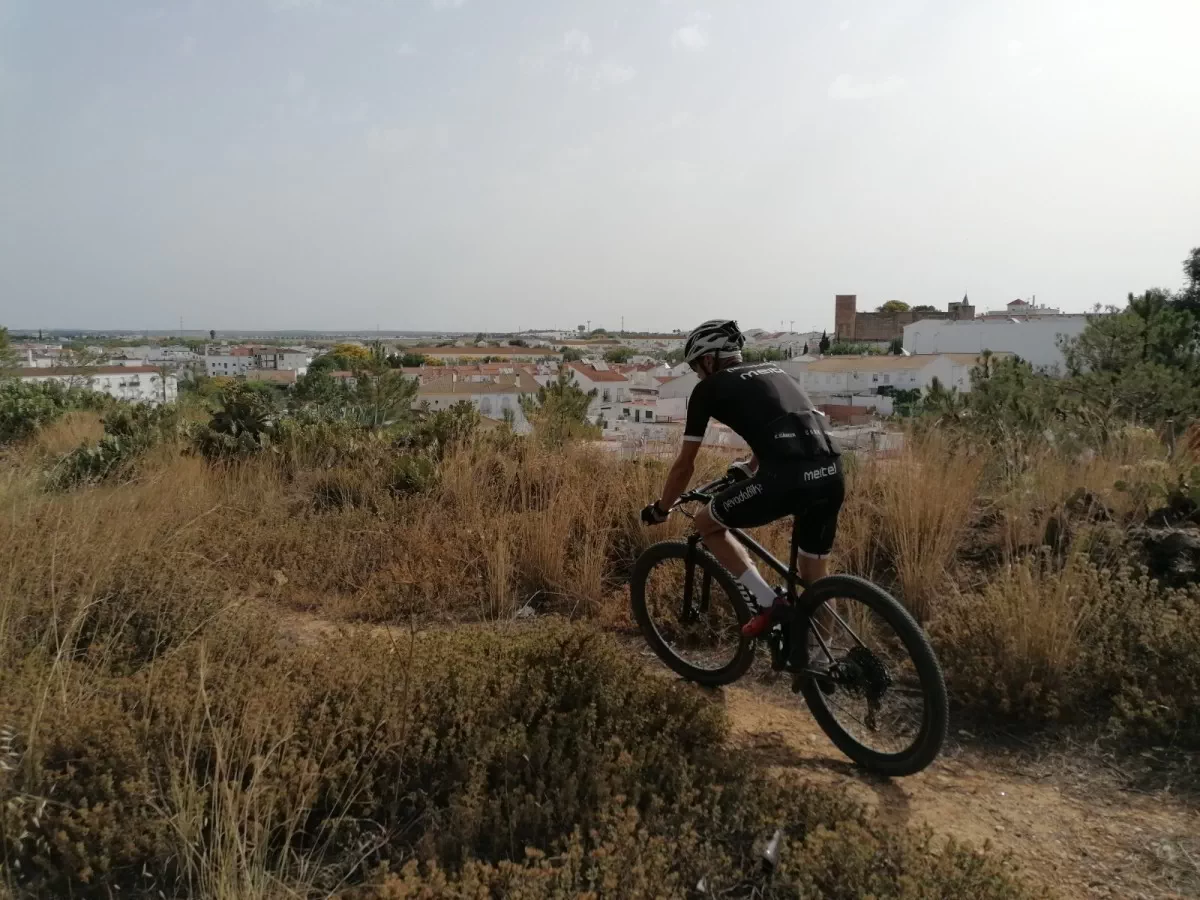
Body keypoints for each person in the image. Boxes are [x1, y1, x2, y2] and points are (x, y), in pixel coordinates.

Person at [641, 319, 844, 638]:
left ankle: (768, 603)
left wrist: (663, 508)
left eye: (697, 367)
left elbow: (684, 465)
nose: (697, 374)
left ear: (708, 359)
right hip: (831, 472)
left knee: (707, 522)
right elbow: (787, 429)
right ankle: (822, 662)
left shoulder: (708, 388)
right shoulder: (777, 372)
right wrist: (750, 467)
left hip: (787, 477)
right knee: (813, 578)